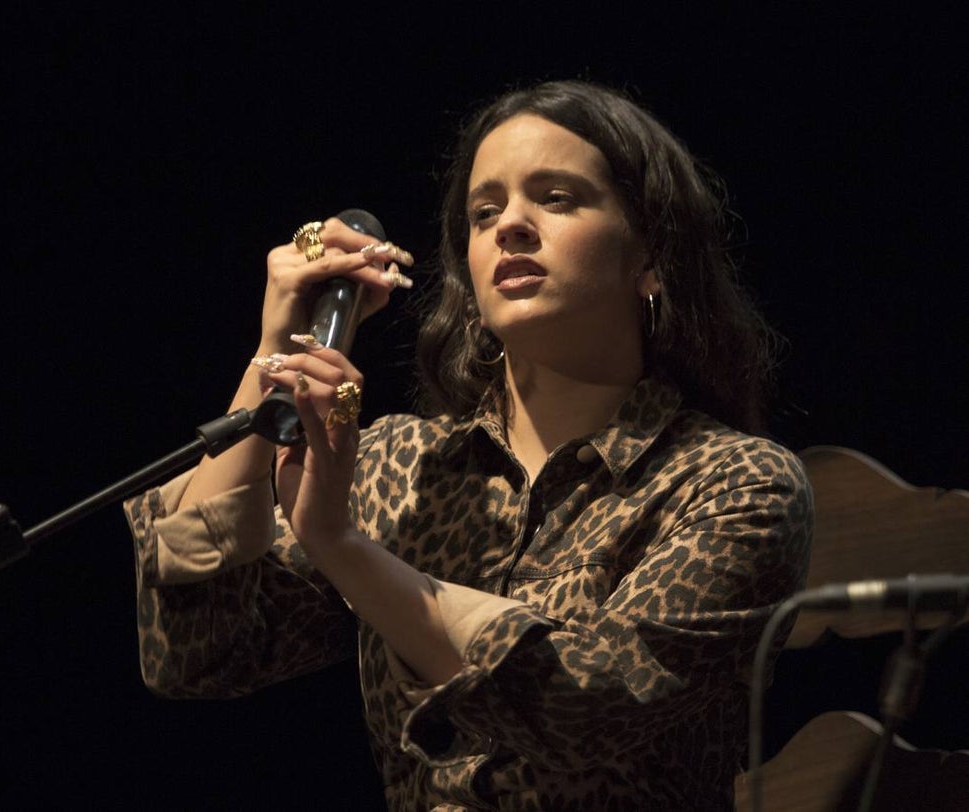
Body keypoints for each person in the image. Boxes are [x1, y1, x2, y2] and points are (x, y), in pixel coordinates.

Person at [123, 78, 813, 810]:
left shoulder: (735, 482)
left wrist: (341, 545)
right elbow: (197, 652)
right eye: (485, 213)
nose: (510, 226)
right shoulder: (401, 466)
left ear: (650, 257)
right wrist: (273, 351)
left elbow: (578, 703)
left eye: (557, 198)